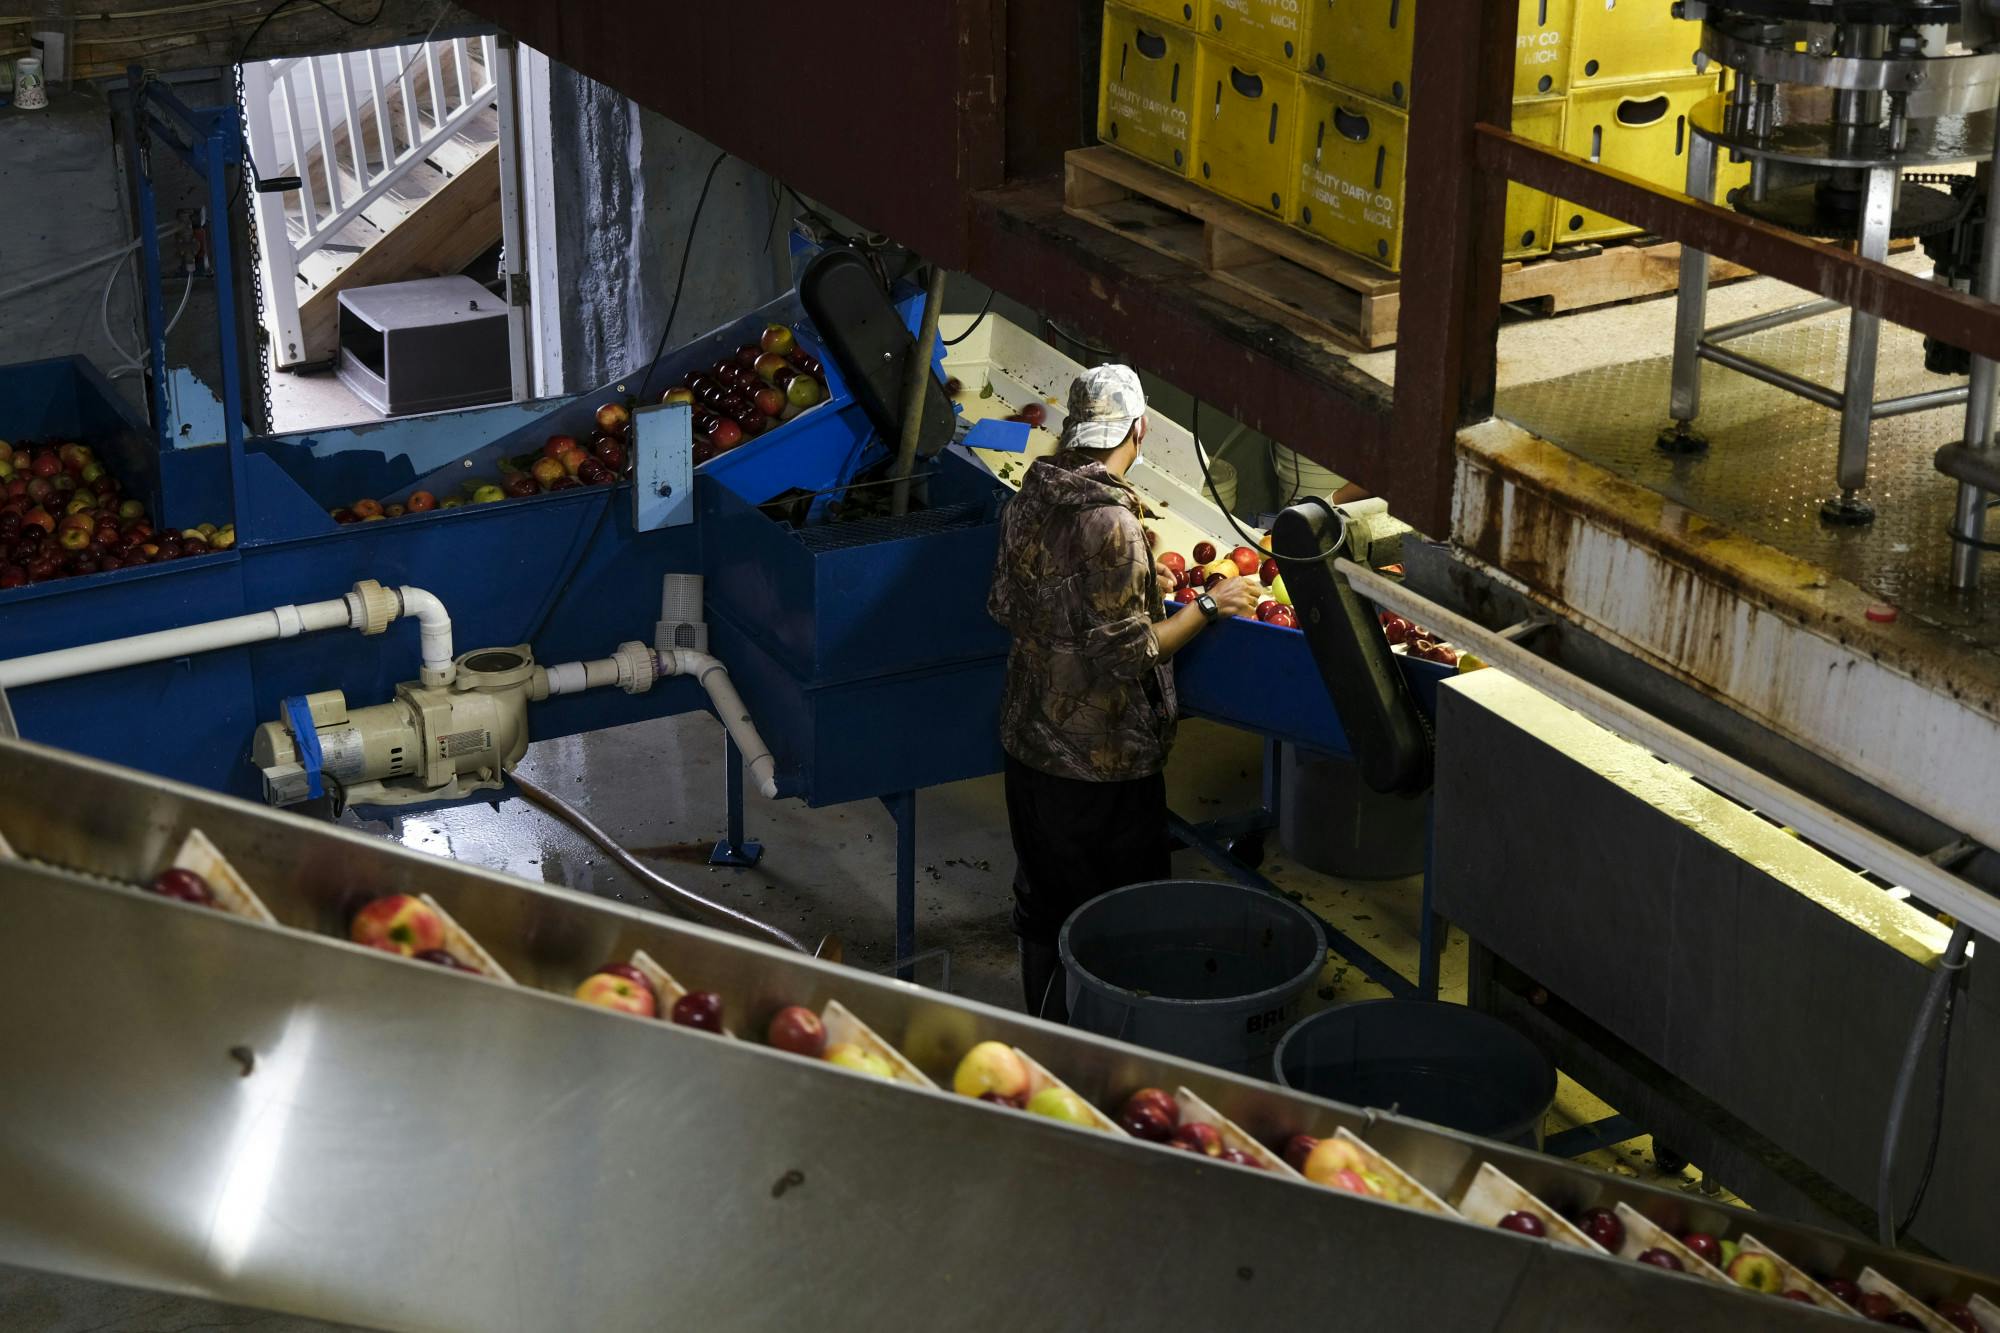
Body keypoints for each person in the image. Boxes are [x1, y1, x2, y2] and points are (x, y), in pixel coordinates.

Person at [986, 364, 1260, 1020]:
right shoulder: (1112, 523)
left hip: (1027, 743)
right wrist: (1209, 605)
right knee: (1120, 918)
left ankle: (1049, 1036)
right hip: (1101, 764)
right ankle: (1110, 1050)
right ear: (1139, 428)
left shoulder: (1030, 496)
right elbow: (1127, 652)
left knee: (1042, 902)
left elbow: (1004, 602)